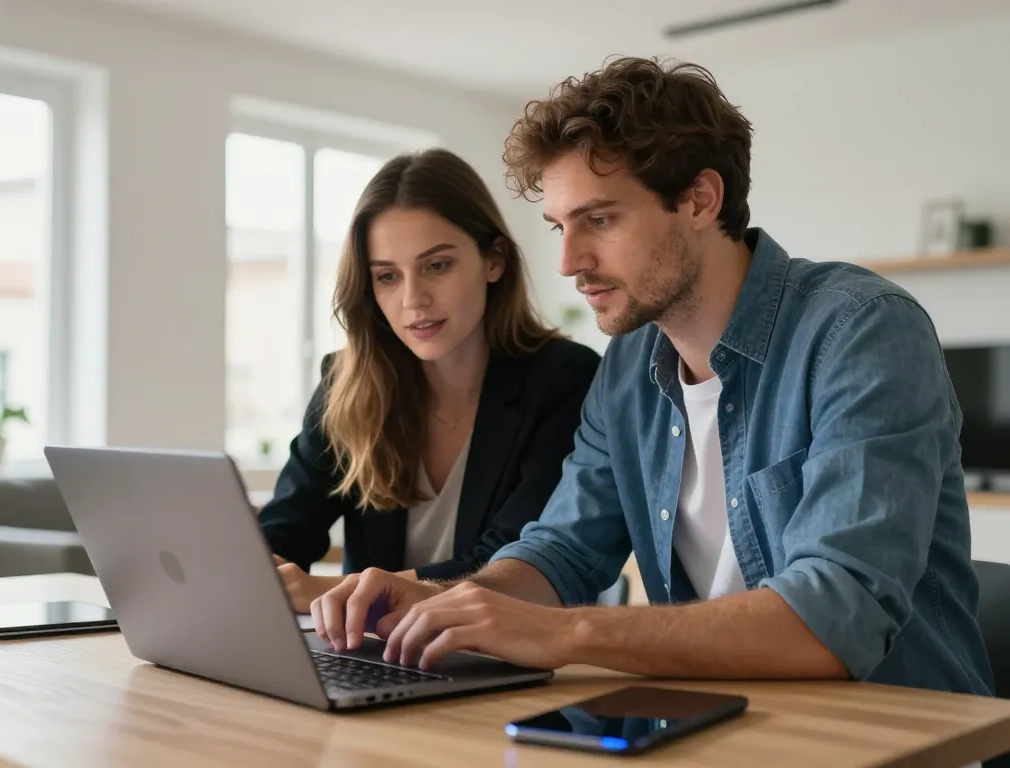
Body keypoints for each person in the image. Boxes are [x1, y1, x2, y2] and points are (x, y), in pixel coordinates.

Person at [309, 57, 995, 698]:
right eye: (558, 228)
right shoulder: (629, 369)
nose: (570, 262)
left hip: (890, 737)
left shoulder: (861, 331)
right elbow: (563, 551)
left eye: (599, 220)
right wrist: (451, 602)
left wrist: (564, 633)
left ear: (699, 200)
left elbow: (833, 614)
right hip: (717, 730)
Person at [258, 147, 600, 613]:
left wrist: (320, 592)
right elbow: (284, 531)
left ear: (494, 260)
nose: (413, 299)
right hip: (372, 656)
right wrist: (250, 570)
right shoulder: (346, 384)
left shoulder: (564, 379)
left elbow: (508, 564)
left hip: (507, 656)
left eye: (437, 266)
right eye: (387, 277)